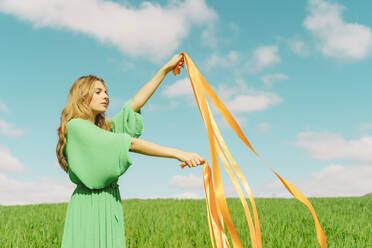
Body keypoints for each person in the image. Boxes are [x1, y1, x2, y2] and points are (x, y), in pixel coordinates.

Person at [56, 53, 206, 248]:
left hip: (108, 203)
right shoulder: (77, 126)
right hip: (88, 207)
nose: (106, 96)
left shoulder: (104, 130)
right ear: (82, 96)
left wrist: (165, 69)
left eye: (106, 92)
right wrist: (179, 153)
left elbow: (134, 104)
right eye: (98, 92)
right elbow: (131, 143)